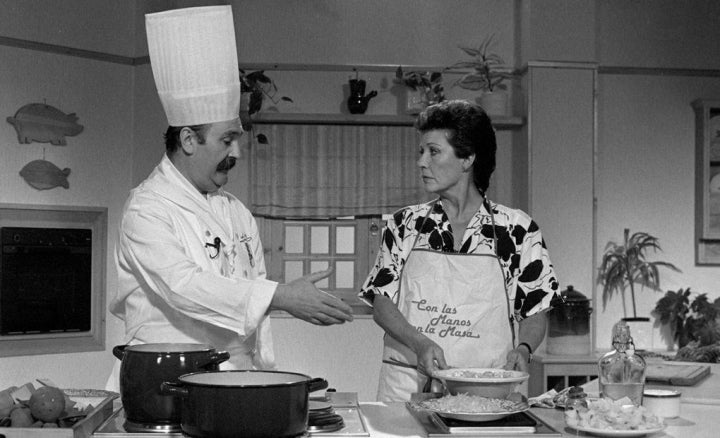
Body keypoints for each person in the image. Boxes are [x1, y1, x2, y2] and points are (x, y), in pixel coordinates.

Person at [107, 6, 352, 390]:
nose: (237, 153)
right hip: (161, 383)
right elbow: (183, 287)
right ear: (189, 139)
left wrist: (265, 371)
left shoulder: (234, 211)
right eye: (227, 139)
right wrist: (281, 296)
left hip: (233, 382)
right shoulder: (147, 208)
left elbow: (250, 301)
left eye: (238, 138)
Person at [359, 100, 559, 402]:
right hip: (406, 388)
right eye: (421, 152)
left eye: (434, 151)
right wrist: (420, 343)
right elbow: (382, 302)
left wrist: (524, 349)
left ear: (467, 159)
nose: (421, 162)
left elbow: (534, 309)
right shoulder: (405, 224)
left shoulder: (517, 230)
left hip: (484, 391)